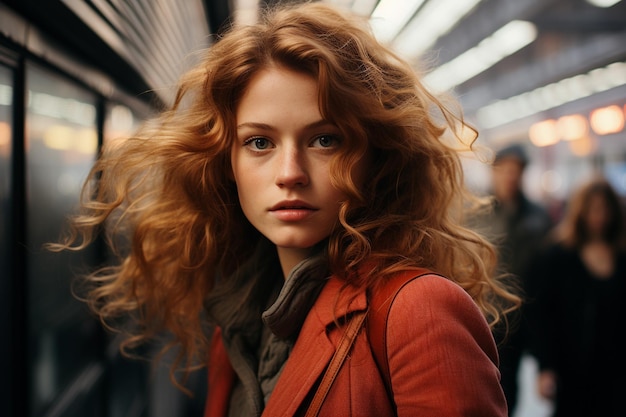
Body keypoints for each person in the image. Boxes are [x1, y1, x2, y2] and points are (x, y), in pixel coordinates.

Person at [50, 2, 521, 416]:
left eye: (324, 140)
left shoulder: (418, 310)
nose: (290, 172)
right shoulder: (237, 322)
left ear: (376, 156)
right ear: (226, 163)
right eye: (259, 142)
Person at [526, 176, 626, 417]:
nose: (599, 217)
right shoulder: (558, 256)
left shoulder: (621, 254)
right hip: (572, 366)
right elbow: (542, 314)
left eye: (604, 209)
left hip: (617, 366)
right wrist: (545, 367)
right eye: (592, 209)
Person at [471, 143, 552, 415]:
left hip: (520, 316)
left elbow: (546, 268)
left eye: (516, 170)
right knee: (478, 383)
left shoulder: (537, 217)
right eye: (504, 169)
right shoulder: (475, 212)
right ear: (494, 171)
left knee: (510, 386)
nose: (510, 176)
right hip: (482, 313)